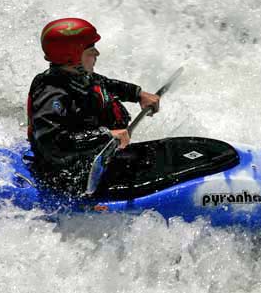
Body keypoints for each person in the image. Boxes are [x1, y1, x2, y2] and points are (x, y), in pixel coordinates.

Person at [26, 17, 160, 193]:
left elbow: (105, 84)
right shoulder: (51, 94)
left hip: (97, 155)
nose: (97, 53)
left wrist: (138, 94)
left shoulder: (77, 76)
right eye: (90, 50)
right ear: (71, 56)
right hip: (69, 175)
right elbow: (52, 143)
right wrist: (106, 135)